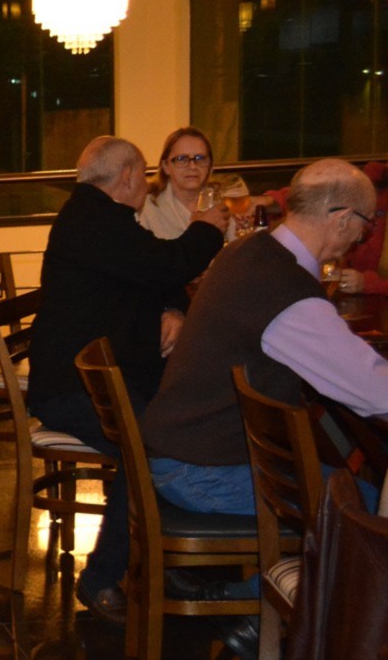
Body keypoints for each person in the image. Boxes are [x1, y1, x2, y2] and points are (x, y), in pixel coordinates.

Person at [27, 136, 226, 622]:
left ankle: (161, 558)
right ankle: (102, 577)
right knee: (147, 447)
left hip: (104, 375)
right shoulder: (94, 221)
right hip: (69, 388)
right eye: (144, 175)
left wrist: (173, 309)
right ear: (130, 176)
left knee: (185, 421)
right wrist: (206, 228)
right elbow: (167, 263)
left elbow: (153, 271)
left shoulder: (99, 217)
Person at [145, 159, 388, 518]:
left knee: (352, 484)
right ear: (342, 219)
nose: (359, 239)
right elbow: (375, 391)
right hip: (201, 472)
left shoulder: (248, 251)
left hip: (181, 450)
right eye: (364, 228)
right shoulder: (285, 289)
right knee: (368, 508)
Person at [260, 161, 388, 296]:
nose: (358, 236)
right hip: (329, 286)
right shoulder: (375, 180)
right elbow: (321, 193)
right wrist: (271, 200)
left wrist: (370, 283)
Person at [138, 126, 217, 239]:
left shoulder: (219, 203)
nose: (192, 166)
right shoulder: (147, 209)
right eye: (182, 159)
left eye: (200, 158)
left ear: (209, 165)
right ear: (166, 166)